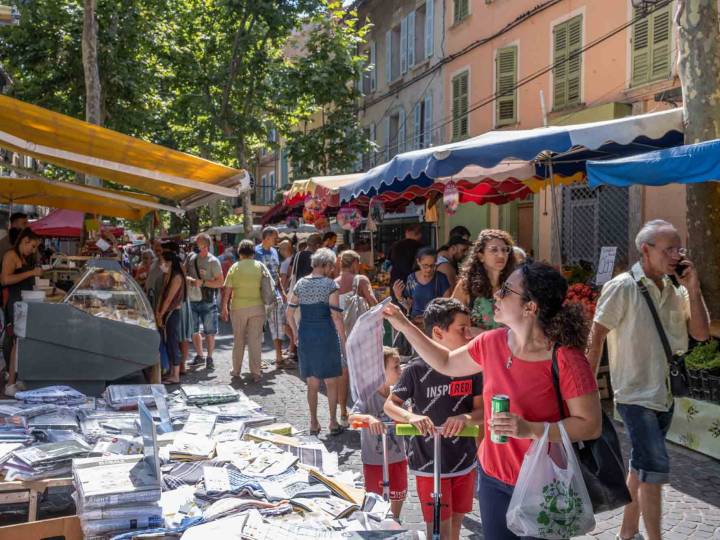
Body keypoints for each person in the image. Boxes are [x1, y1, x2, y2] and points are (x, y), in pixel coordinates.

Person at [384, 262, 602, 540]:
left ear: (530, 307)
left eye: (506, 290)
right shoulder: (492, 342)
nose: (496, 295)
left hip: (543, 483)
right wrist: (402, 323)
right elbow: (446, 361)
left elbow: (590, 425)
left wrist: (530, 429)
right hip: (493, 478)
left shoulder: (566, 358)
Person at [586, 220, 709, 540]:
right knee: (654, 469)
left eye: (679, 248)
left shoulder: (676, 289)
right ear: (646, 250)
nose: (676, 255)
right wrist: (585, 389)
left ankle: (627, 531)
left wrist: (694, 288)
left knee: (640, 466)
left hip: (665, 393)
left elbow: (700, 332)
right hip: (633, 395)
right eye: (668, 249)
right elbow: (596, 336)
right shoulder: (622, 287)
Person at [384, 298, 483, 540]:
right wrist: (411, 417)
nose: (469, 335)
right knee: (438, 527)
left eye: (470, 328)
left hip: (465, 460)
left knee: (456, 525)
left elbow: (482, 411)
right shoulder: (417, 369)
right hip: (428, 462)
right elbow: (390, 405)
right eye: (462, 329)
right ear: (438, 332)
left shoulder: (473, 368)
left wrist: (467, 417)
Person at [287, 248, 346, 436]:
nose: (332, 270)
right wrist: (343, 339)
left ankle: (313, 422)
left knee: (311, 382)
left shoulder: (301, 284)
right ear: (327, 265)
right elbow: (336, 316)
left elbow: (289, 313)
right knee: (331, 381)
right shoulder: (330, 285)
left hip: (306, 334)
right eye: (332, 266)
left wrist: (295, 334)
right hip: (326, 335)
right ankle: (333, 422)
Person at [348, 347, 407, 520]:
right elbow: (352, 417)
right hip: (374, 458)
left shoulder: (399, 392)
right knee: (374, 494)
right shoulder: (368, 394)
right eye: (395, 367)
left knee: (398, 491)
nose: (400, 370)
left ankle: (395, 519)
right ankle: (376, 522)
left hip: (397, 456)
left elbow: (409, 409)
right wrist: (368, 418)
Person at [335, 250, 379, 426]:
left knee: (343, 373)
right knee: (365, 371)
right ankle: (366, 409)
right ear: (354, 263)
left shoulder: (333, 283)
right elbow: (373, 302)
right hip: (360, 332)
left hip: (340, 332)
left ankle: (343, 413)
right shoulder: (360, 279)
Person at [1, 228, 41, 396]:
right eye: (32, 246)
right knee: (17, 341)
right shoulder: (11, 255)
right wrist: (31, 272)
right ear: (24, 240)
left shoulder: (24, 256)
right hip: (14, 302)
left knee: (23, 340)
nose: (33, 250)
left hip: (25, 301)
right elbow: (4, 279)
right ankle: (10, 384)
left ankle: (18, 379)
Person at [452, 229, 515, 335]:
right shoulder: (466, 285)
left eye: (505, 250)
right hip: (478, 349)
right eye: (494, 250)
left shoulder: (515, 284)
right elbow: (452, 320)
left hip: (509, 349)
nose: (501, 255)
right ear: (481, 256)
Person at [221, 240, 266, 383]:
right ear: (253, 252)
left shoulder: (235, 267)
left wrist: (224, 307)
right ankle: (256, 372)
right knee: (255, 340)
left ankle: (236, 370)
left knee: (238, 339)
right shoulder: (260, 266)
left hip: (238, 307)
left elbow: (227, 289)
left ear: (239, 252)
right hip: (257, 307)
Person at [255, 227, 293, 369]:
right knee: (259, 328)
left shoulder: (275, 252)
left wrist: (282, 292)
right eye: (275, 237)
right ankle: (257, 359)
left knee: (278, 326)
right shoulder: (256, 252)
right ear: (267, 236)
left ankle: (278, 357)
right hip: (259, 296)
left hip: (275, 294)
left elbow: (276, 274)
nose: (277, 240)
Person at [185, 233, 223, 370]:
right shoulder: (191, 258)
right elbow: (185, 273)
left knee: (210, 331)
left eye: (198, 244)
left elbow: (220, 282)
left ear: (205, 246)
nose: (195, 246)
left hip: (207, 299)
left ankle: (210, 357)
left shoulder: (213, 261)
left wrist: (203, 282)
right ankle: (200, 355)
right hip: (192, 298)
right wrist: (190, 280)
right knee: (194, 330)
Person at [393, 247, 451, 325]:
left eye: (432, 266)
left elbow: (447, 305)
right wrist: (399, 297)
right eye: (425, 266)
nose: (429, 269)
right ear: (418, 262)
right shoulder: (411, 279)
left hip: (434, 324)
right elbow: (409, 306)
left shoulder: (441, 279)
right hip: (415, 324)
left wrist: (428, 318)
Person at [155, 249, 187, 385]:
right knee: (168, 342)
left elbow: (169, 299)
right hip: (166, 312)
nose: (160, 264)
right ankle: (172, 372)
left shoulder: (177, 277)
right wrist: (158, 311)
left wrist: (160, 314)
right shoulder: (167, 276)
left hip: (172, 313)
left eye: (162, 261)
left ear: (169, 262)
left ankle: (176, 375)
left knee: (172, 342)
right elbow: (162, 296)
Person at [388, 223, 424, 298]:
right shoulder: (421, 248)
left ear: (406, 233)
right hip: (415, 285)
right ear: (419, 235)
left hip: (396, 284)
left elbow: (389, 263)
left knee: (398, 308)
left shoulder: (395, 246)